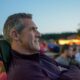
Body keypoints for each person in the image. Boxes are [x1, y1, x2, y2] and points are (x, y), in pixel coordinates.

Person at [3, 13, 61, 80]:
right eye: (33, 29)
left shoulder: (39, 56)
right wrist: (64, 71)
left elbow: (70, 67)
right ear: (15, 35)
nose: (39, 34)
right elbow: (70, 69)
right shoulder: (24, 74)